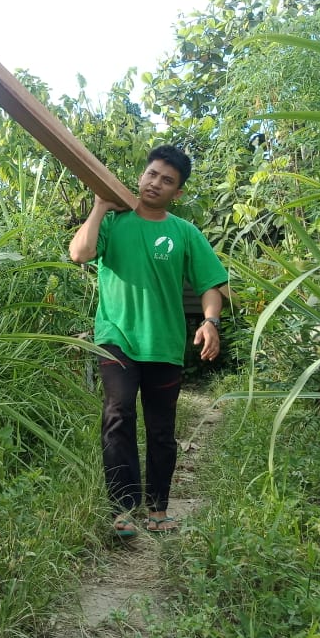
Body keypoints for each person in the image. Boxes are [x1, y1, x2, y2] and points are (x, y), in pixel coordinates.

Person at [68, 145, 228, 537]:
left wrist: (210, 322)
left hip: (164, 343)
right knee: (118, 414)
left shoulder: (184, 233)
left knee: (161, 429)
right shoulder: (113, 221)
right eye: (152, 174)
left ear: (178, 192)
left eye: (167, 180)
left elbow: (212, 285)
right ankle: (122, 511)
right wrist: (100, 206)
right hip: (116, 336)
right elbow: (80, 253)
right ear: (142, 175)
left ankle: (158, 510)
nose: (156, 183)